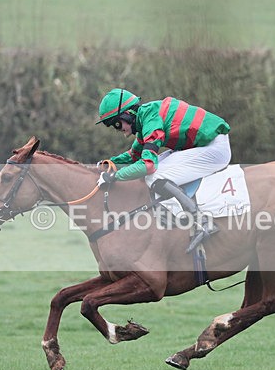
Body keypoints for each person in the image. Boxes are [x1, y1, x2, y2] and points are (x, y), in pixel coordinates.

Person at [95, 88, 232, 252]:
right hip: (202, 146)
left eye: (116, 124)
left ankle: (202, 222)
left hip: (214, 149)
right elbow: (134, 155)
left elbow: (147, 165)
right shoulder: (145, 118)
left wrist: (114, 177)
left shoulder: (151, 120)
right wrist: (110, 162)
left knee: (153, 175)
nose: (118, 130)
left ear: (128, 114)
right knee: (153, 171)